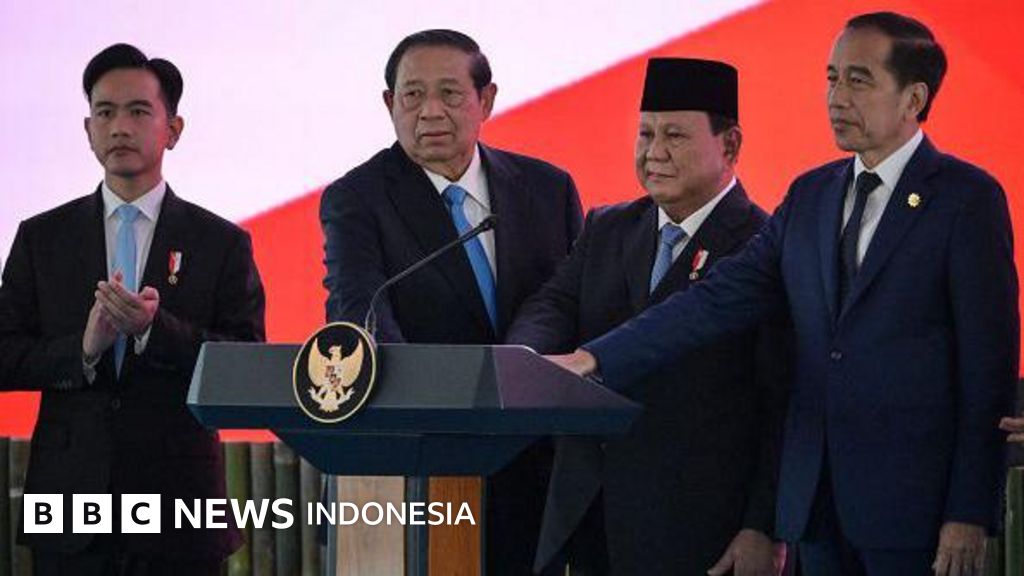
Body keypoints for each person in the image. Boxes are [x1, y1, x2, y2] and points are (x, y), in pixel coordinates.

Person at [549, 12, 1018, 576]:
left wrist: (969, 510)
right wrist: (596, 358)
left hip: (914, 507)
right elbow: (716, 298)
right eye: (831, 78)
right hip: (816, 509)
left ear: (913, 98)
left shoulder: (965, 198)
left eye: (859, 80)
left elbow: (987, 369)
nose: (837, 97)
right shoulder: (811, 195)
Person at [507, 58, 789, 576]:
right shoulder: (609, 227)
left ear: (729, 145)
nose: (654, 152)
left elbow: (782, 403)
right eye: (645, 134)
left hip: (702, 525)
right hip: (592, 511)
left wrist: (762, 524)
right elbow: (553, 305)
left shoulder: (762, 245)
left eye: (675, 135)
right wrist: (522, 360)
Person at [320, 29, 582, 574]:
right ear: (389, 103)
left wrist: (516, 374)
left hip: (536, 463)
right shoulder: (357, 198)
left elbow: (570, 304)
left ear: (486, 100)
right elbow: (360, 310)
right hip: (421, 464)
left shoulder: (547, 188)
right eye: (412, 95)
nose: (430, 111)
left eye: (450, 93)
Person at [0, 43, 266, 575]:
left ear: (173, 129)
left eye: (139, 111)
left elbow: (246, 366)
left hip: (179, 506)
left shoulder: (220, 242)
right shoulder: (42, 238)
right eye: (105, 112)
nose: (119, 126)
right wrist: (82, 350)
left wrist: (154, 330)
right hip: (71, 506)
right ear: (88, 130)